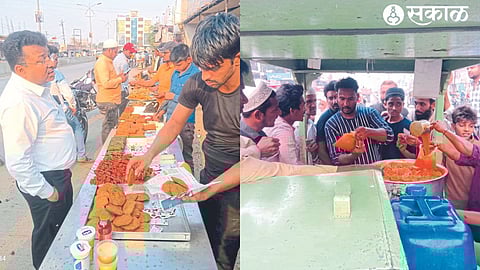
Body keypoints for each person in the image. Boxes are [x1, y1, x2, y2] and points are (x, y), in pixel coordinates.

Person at [127, 13, 240, 270]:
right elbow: (174, 123)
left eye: (214, 67)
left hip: (239, 188)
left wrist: (212, 188)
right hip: (209, 174)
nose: (206, 75)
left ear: (237, 59)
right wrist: (148, 155)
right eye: (202, 67)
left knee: (223, 258)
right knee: (204, 247)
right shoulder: (197, 83)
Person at [0, 30, 76, 269]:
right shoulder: (19, 102)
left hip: (56, 176)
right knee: (48, 237)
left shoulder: (38, 89)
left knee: (62, 232)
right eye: (41, 60)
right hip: (45, 182)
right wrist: (48, 192)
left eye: (48, 56)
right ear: (20, 69)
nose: (50, 63)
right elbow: (18, 162)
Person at [325, 77, 394, 165]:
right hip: (349, 175)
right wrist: (354, 155)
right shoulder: (331, 124)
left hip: (373, 171)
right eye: (342, 99)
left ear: (357, 97)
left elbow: (389, 135)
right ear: (336, 97)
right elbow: (336, 158)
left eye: (350, 99)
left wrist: (368, 132)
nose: (346, 103)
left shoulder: (369, 113)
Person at [47, 45, 93, 162]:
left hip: (48, 112)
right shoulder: (55, 73)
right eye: (55, 58)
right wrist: (72, 106)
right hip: (61, 109)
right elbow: (67, 93)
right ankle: (81, 155)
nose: (57, 61)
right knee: (77, 127)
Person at [436, 106, 480, 210]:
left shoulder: (478, 146)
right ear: (453, 126)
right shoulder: (446, 143)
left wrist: (444, 131)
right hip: (452, 197)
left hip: (474, 199)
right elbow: (439, 167)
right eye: (462, 125)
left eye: (471, 126)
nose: (467, 130)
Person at [165, 44, 200, 173]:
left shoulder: (196, 75)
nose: (176, 67)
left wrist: (173, 96)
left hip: (186, 122)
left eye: (179, 64)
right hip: (171, 118)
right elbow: (170, 92)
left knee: (186, 153)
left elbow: (194, 100)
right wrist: (162, 110)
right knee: (170, 152)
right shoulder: (175, 73)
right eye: (175, 65)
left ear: (189, 60)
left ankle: (189, 180)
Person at [94, 39, 127, 143]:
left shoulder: (107, 62)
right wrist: (120, 79)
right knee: (108, 127)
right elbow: (106, 83)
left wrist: (118, 77)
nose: (116, 54)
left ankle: (108, 146)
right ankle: (106, 150)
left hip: (112, 99)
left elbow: (110, 78)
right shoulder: (102, 63)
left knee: (111, 126)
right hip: (108, 100)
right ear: (109, 51)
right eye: (115, 52)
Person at [264, 84, 306, 164]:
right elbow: (291, 165)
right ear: (292, 111)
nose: (305, 110)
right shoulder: (284, 131)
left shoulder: (277, 124)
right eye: (303, 106)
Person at [241, 81, 281, 159]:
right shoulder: (237, 138)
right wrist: (258, 151)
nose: (280, 112)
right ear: (258, 115)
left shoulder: (261, 135)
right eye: (275, 110)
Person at [379, 87, 414, 159]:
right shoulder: (381, 124)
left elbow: (414, 156)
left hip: (402, 166)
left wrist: (403, 150)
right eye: (391, 104)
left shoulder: (409, 126)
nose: (394, 108)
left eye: (398, 104)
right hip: (382, 165)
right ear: (385, 104)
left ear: (403, 104)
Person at [315, 80, 338, 165]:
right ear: (326, 99)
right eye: (331, 98)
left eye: (336, 97)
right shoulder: (323, 120)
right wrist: (334, 169)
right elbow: (321, 150)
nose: (334, 101)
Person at [294, 88, 318, 164]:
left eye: (315, 101)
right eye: (308, 102)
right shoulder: (294, 127)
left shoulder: (312, 126)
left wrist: (314, 152)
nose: (313, 105)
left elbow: (314, 159)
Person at [113, 42, 137, 115]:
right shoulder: (123, 62)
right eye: (130, 52)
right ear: (125, 50)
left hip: (118, 87)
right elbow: (124, 78)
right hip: (121, 89)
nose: (131, 54)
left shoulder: (120, 58)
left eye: (132, 53)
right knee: (123, 112)